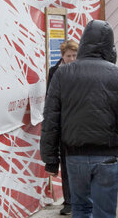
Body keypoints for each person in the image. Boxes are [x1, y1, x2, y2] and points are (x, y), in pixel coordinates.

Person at [41, 20, 118, 218]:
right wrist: (115, 124)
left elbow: (51, 119)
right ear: (109, 45)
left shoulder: (62, 74)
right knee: (105, 212)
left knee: (81, 209)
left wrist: (51, 160)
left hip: (74, 156)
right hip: (107, 155)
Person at [46, 39, 79, 216]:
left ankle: (79, 199)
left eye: (74, 55)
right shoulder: (54, 72)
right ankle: (69, 201)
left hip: (78, 122)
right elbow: (50, 99)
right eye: (69, 56)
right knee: (66, 164)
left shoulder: (82, 70)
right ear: (62, 56)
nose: (72, 59)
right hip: (63, 124)